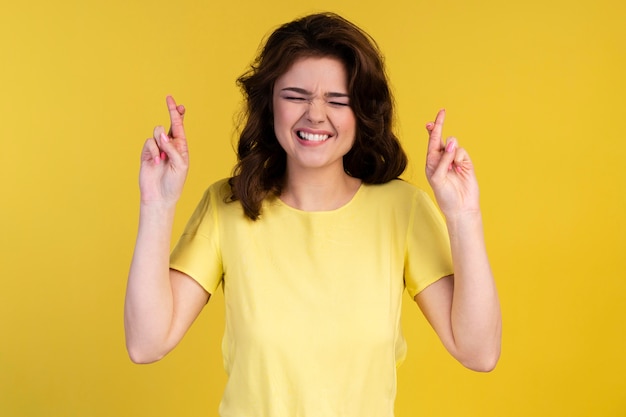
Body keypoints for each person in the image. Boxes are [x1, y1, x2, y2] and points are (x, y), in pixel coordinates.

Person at [124, 12, 501, 417]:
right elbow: (147, 343)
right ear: (270, 104)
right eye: (296, 96)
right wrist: (157, 205)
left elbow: (478, 352)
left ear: (362, 113)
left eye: (337, 101)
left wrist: (464, 215)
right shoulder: (228, 206)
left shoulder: (402, 209)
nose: (315, 115)